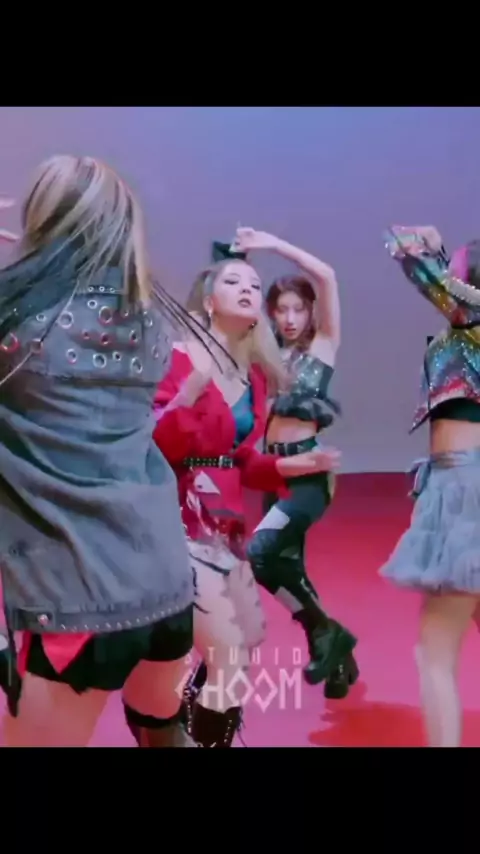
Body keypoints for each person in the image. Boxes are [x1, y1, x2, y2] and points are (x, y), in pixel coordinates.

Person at [0, 154, 222, 748]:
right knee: (161, 732)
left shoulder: (15, 319)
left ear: (42, 216)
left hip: (74, 597)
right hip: (164, 584)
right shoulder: (149, 324)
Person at [151, 241, 341, 746]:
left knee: (245, 643)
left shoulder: (253, 376)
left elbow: (237, 461)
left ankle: (187, 729)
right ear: (209, 299)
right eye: (233, 282)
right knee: (229, 651)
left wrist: (288, 465)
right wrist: (186, 398)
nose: (247, 289)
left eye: (254, 285)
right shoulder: (177, 359)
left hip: (226, 525)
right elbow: (155, 446)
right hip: (177, 520)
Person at [228, 228, 358, 699]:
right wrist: (238, 260)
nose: (289, 318)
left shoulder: (323, 345)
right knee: (286, 569)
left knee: (262, 553)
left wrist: (271, 244)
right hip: (274, 473)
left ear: (310, 312)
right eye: (280, 309)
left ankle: (327, 633)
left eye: (297, 309)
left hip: (309, 475)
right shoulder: (265, 356)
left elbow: (327, 276)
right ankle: (336, 653)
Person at [381, 224, 480, 747]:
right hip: (458, 480)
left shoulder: (472, 316)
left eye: (456, 265)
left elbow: (420, 268)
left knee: (434, 652)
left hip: (466, 488)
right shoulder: (468, 324)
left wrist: (423, 247)